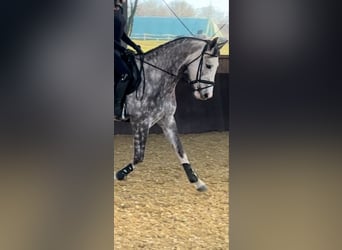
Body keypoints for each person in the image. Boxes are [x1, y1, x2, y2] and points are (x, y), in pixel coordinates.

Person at [114, 0, 143, 121]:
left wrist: (134, 46)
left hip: (116, 49)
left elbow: (121, 35)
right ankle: (115, 110)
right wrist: (123, 49)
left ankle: (125, 107)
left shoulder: (119, 10)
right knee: (125, 74)